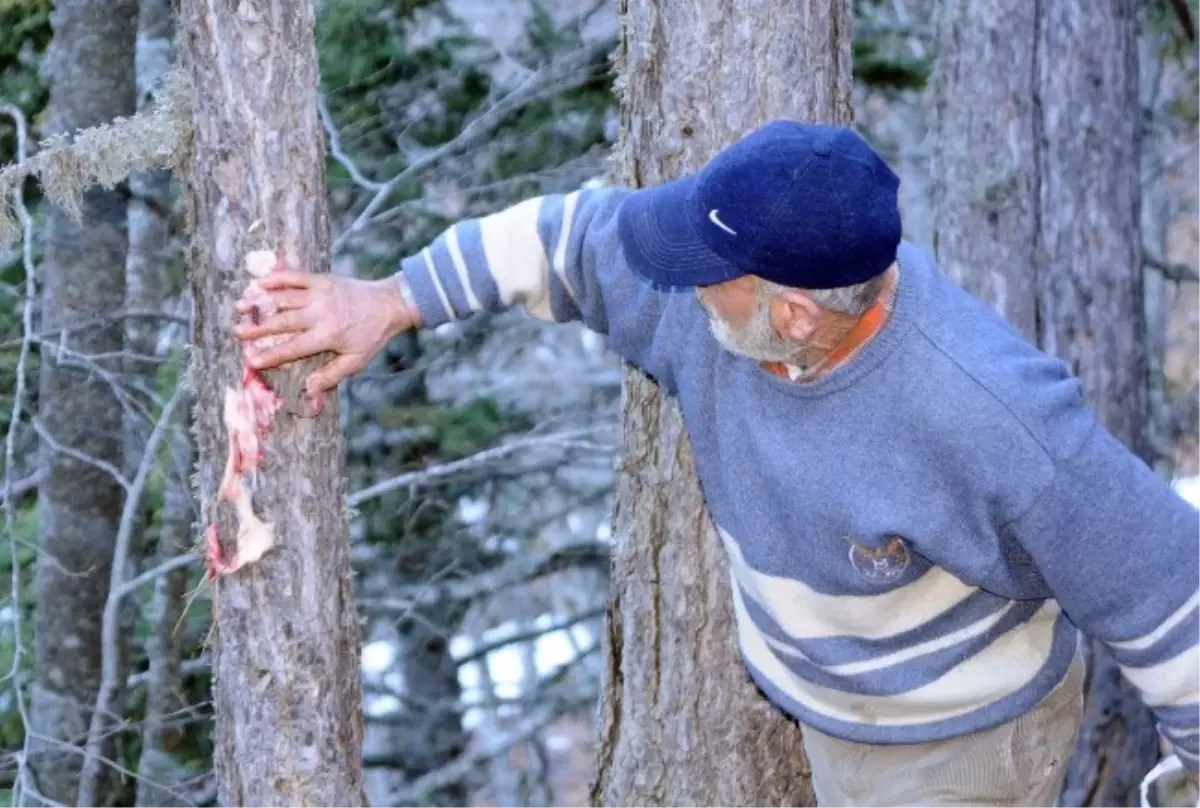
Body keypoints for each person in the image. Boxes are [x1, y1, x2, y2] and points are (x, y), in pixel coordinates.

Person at [234, 120, 1200, 806]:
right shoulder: (709, 301)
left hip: (962, 745)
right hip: (830, 722)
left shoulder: (989, 412)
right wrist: (389, 301)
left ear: (793, 314)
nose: (675, 279)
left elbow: (1165, 589)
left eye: (708, 274)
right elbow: (563, 237)